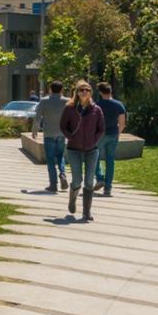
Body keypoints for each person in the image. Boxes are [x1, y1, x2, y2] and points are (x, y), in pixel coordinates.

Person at [59, 80, 105, 221]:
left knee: (89, 182)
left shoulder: (96, 109)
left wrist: (93, 140)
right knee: (77, 180)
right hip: (74, 150)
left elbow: (101, 128)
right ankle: (72, 199)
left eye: (87, 90)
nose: (85, 92)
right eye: (82, 90)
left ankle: (86, 212)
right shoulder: (70, 108)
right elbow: (63, 126)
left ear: (91, 92)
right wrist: (70, 137)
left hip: (91, 150)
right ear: (77, 92)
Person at [31, 81, 69, 193]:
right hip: (62, 133)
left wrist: (34, 130)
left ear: (50, 89)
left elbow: (38, 117)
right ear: (62, 90)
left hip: (49, 134)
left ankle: (53, 184)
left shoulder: (44, 101)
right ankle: (62, 174)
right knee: (60, 155)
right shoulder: (67, 101)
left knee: (51, 159)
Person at [93, 82, 127, 197]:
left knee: (94, 157)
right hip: (113, 134)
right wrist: (118, 133)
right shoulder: (118, 105)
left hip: (100, 135)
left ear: (100, 93)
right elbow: (122, 123)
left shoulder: (97, 105)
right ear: (110, 91)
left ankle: (99, 177)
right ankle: (108, 189)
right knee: (110, 161)